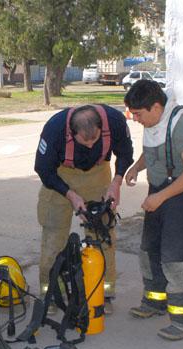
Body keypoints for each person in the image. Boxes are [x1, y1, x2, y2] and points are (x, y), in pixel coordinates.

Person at [34, 104, 134, 314]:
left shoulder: (115, 120)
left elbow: (125, 153)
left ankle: (103, 293)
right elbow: (43, 169)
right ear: (71, 132)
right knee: (53, 237)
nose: (89, 146)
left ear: (100, 127)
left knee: (103, 236)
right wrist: (70, 194)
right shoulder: (55, 128)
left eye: (95, 140)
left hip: (98, 174)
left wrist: (116, 183)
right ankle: (51, 293)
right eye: (84, 141)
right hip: (60, 175)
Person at [124, 80, 183, 341]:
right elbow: (152, 151)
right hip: (158, 192)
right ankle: (155, 301)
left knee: (175, 259)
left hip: (182, 196)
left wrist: (160, 198)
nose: (135, 120)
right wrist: (137, 167)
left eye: (138, 114)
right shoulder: (152, 121)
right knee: (149, 251)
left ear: (156, 107)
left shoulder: (181, 123)